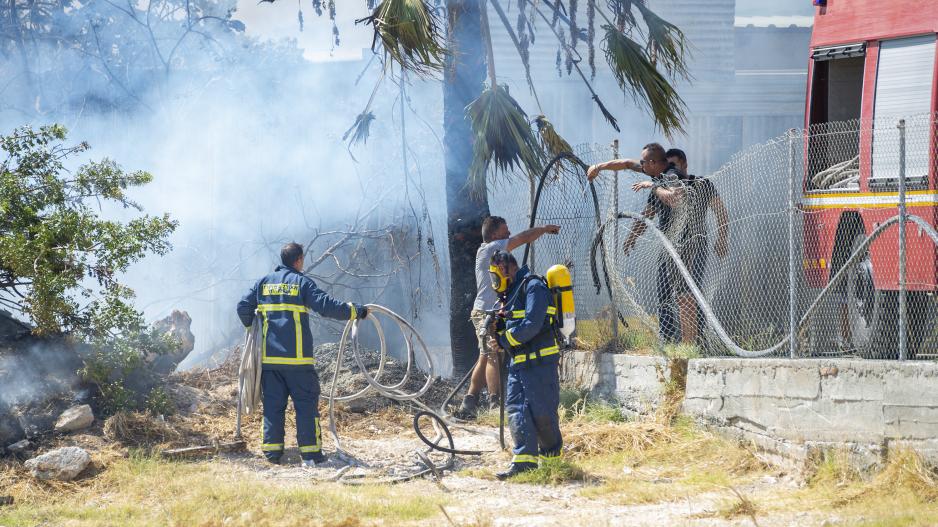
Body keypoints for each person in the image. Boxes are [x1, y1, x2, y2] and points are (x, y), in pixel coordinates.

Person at [236, 242, 368, 467]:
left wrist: (253, 327)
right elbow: (326, 306)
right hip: (298, 362)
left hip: (270, 362)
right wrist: (355, 311)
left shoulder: (264, 283)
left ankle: (272, 454)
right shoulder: (302, 283)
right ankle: (311, 455)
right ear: (298, 260)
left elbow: (242, 307)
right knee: (306, 406)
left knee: (273, 407)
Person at [456, 216, 561, 419]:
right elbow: (524, 237)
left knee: (485, 355)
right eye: (505, 231)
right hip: (486, 311)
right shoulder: (491, 248)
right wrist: (544, 229)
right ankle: (495, 405)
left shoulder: (489, 252)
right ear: (495, 235)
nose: (509, 233)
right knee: (494, 354)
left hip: (488, 310)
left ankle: (469, 401)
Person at [587, 143, 690, 343]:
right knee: (664, 289)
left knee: (683, 295)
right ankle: (668, 338)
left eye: (644, 162)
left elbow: (676, 198)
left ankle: (684, 341)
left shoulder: (671, 176)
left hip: (684, 243)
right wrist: (598, 167)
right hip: (668, 243)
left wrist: (654, 186)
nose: (641, 166)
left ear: (653, 163)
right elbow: (626, 164)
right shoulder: (657, 176)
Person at [488, 250, 563, 479]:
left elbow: (532, 324)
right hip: (518, 364)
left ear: (504, 268)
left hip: (540, 363)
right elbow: (514, 324)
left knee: (542, 413)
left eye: (495, 274)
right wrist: (497, 328)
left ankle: (552, 463)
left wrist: (503, 340)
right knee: (517, 411)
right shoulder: (511, 293)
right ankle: (523, 463)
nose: (495, 280)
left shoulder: (533, 287)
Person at [663, 148, 729, 345]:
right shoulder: (664, 187)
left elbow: (721, 212)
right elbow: (650, 210)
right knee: (667, 293)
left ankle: (695, 339)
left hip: (696, 245)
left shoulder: (702, 183)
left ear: (684, 164)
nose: (672, 170)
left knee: (691, 292)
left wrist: (722, 238)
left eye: (674, 165)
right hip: (670, 248)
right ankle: (669, 338)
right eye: (668, 166)